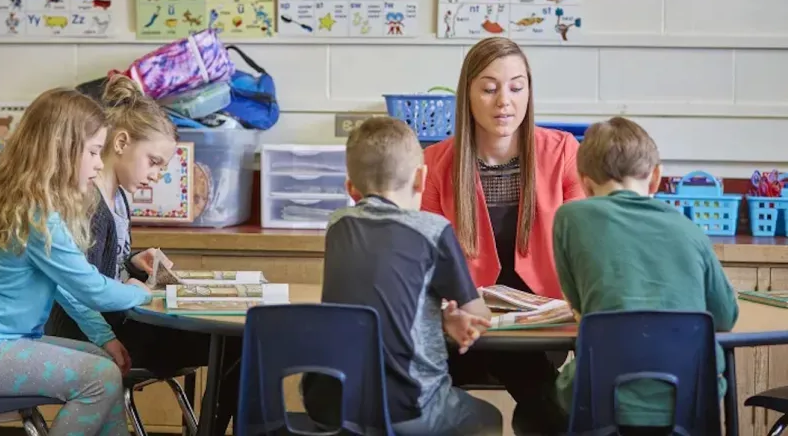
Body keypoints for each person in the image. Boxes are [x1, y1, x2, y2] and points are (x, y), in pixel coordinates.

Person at [0, 88, 152, 436]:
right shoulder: (36, 217)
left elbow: (66, 288)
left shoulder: (33, 208)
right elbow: (92, 290)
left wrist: (104, 338)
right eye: (92, 152)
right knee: (100, 377)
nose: (99, 163)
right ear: (61, 151)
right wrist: (142, 292)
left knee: (105, 364)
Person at [44, 74, 242, 434]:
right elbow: (77, 284)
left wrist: (132, 260)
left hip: (115, 322)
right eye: (154, 162)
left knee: (237, 342)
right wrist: (110, 332)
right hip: (91, 332)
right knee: (236, 342)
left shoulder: (117, 197)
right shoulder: (90, 202)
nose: (158, 175)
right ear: (120, 142)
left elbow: (105, 265)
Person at [421, 37, 584, 434]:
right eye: (490, 88)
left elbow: (587, 240)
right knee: (483, 352)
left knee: (513, 353)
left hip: (544, 323)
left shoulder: (562, 151)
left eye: (516, 87)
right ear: (468, 95)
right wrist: (448, 313)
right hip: (460, 321)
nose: (504, 101)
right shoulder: (435, 161)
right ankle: (556, 421)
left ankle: (549, 417)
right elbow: (422, 257)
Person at [304, 116, 501, 435]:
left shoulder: (337, 224)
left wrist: (437, 317)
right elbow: (478, 314)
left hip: (334, 407)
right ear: (422, 178)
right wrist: (452, 316)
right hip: (408, 408)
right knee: (488, 417)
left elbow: (381, 297)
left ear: (351, 189)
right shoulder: (434, 230)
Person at [553, 117, 739, 434]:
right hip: (689, 400)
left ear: (585, 183)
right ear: (655, 177)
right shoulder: (689, 228)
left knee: (549, 397)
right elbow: (725, 317)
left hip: (603, 400)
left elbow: (579, 304)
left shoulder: (571, 218)